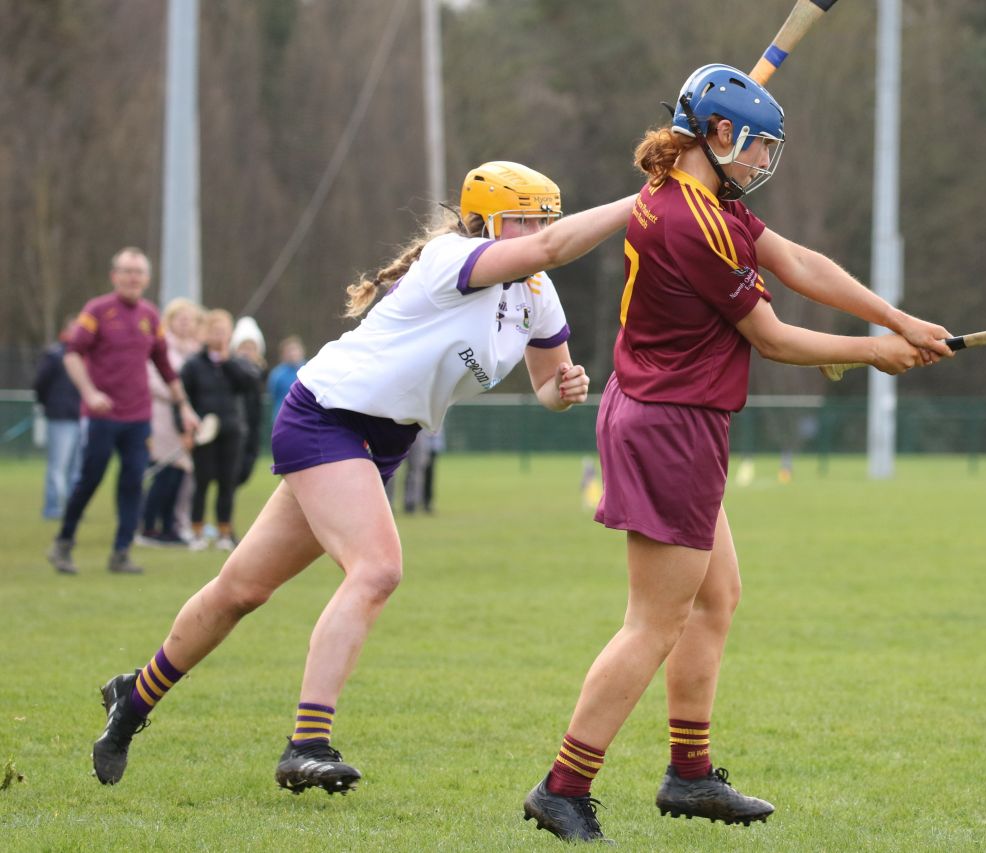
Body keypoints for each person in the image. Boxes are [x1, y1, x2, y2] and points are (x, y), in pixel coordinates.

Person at [89, 162, 635, 793]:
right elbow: (555, 247)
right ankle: (307, 743)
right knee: (377, 569)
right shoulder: (451, 258)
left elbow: (546, 383)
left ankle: (131, 700)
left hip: (382, 441)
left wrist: (563, 391)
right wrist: (646, 196)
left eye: (543, 219)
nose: (538, 232)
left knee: (240, 590)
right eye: (525, 220)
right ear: (483, 220)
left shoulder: (535, 294)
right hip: (327, 415)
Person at [521, 65, 953, 843]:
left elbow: (799, 263)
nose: (762, 164)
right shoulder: (697, 225)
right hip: (670, 425)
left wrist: (899, 318)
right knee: (652, 623)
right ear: (718, 135)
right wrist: (872, 352)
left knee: (716, 599)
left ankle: (689, 774)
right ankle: (563, 785)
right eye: (756, 147)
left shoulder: (688, 195)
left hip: (668, 416)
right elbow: (776, 336)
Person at [48, 248, 199, 576]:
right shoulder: (97, 311)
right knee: (90, 477)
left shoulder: (150, 315)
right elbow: (72, 355)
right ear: (114, 275)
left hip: (138, 417)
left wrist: (184, 406)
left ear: (146, 278)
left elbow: (164, 366)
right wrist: (90, 392)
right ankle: (63, 542)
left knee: (133, 482)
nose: (133, 278)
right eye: (127, 271)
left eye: (139, 272)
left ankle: (121, 552)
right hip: (102, 415)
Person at [181, 309, 260, 551]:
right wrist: (186, 430)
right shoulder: (193, 365)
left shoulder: (236, 364)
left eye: (224, 332)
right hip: (204, 433)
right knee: (202, 483)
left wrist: (227, 361)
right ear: (205, 334)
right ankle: (196, 532)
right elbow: (185, 398)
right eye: (215, 331)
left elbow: (248, 384)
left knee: (228, 483)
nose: (219, 336)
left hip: (231, 430)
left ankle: (225, 532)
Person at [139, 298, 204, 547]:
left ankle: (171, 526)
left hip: (185, 416)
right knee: (166, 470)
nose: (186, 324)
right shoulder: (162, 346)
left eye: (190, 320)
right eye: (181, 319)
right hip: (163, 414)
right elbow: (153, 380)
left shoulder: (194, 350)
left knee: (180, 473)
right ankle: (149, 526)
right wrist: (179, 397)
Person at [33, 317, 83, 520]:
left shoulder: (88, 355)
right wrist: (49, 405)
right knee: (58, 466)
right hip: (60, 417)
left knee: (77, 468)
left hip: (82, 416)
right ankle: (53, 508)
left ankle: (73, 509)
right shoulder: (54, 355)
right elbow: (40, 383)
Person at [230, 316, 267, 488]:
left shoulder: (260, 372)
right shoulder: (231, 370)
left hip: (252, 428)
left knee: (245, 470)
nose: (247, 352)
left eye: (251, 347)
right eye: (243, 347)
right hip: (236, 428)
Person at [267, 335, 306, 427]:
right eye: (289, 351)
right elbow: (273, 394)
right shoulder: (277, 374)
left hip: (304, 419)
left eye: (295, 349)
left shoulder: (309, 370)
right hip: (282, 420)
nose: (293, 353)